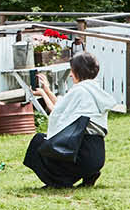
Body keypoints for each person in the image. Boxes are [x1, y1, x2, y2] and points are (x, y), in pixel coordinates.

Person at [24, 52, 112, 188]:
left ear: (78, 71)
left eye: (72, 71)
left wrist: (44, 93)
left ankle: (58, 182)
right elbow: (63, 107)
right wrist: (45, 91)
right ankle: (90, 174)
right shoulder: (93, 89)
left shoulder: (79, 91)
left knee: (39, 142)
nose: (70, 75)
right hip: (96, 154)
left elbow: (57, 113)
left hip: (81, 153)